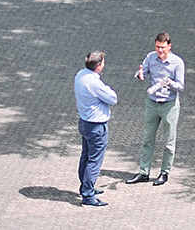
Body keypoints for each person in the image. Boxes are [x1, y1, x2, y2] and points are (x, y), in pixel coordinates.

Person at [126, 32, 184, 187]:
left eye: (163, 48)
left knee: (168, 142)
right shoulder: (151, 57)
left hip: (169, 105)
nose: (160, 51)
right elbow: (142, 72)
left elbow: (181, 86)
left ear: (169, 46)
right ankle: (144, 172)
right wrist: (139, 75)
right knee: (147, 139)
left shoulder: (177, 63)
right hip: (152, 103)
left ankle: (165, 172)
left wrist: (170, 83)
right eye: (158, 47)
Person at [73, 50, 117, 207]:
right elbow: (113, 98)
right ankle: (88, 195)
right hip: (96, 126)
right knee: (94, 160)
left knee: (85, 155)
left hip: (84, 122)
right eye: (103, 62)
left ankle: (85, 185)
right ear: (98, 66)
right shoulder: (95, 83)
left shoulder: (80, 75)